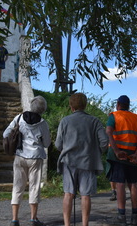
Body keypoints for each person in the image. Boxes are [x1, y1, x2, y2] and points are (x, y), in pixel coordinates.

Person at [55, 93, 109, 226]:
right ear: (85, 105)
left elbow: (58, 144)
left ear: (71, 106)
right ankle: (85, 224)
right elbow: (104, 142)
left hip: (69, 162)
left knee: (68, 194)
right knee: (85, 195)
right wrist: (95, 153)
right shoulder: (94, 121)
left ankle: (67, 224)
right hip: (88, 162)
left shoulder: (65, 121)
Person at [3, 96, 51, 226]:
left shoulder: (18, 118)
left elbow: (5, 134)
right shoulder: (43, 123)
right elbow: (46, 143)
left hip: (20, 156)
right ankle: (33, 219)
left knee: (17, 186)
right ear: (43, 109)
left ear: (31, 106)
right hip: (35, 157)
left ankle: (14, 219)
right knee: (34, 187)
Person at [106, 95, 137, 226]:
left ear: (118, 104)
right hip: (133, 156)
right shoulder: (136, 118)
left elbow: (108, 132)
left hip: (119, 157)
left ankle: (121, 216)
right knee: (133, 184)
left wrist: (116, 151)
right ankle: (135, 216)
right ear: (128, 105)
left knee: (120, 184)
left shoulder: (114, 116)